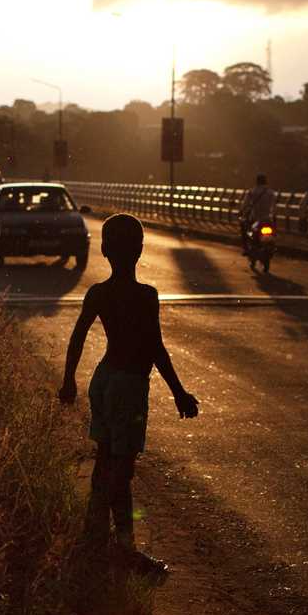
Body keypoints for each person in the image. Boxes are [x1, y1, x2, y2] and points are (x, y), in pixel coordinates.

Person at [58, 213, 199, 576]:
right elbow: (156, 348)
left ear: (104, 250)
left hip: (103, 381)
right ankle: (123, 549)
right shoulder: (145, 296)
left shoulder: (98, 293)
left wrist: (69, 380)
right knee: (122, 469)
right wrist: (179, 392)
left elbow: (76, 338)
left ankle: (94, 537)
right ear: (140, 250)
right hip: (128, 386)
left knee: (105, 459)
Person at [239, 173, 276, 254]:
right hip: (267, 219)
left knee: (247, 230)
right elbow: (274, 205)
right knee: (274, 231)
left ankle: (246, 248)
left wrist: (241, 212)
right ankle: (273, 246)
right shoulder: (271, 192)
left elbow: (245, 204)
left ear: (257, 182)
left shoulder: (251, 191)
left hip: (255, 219)